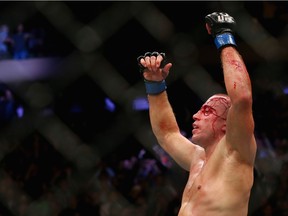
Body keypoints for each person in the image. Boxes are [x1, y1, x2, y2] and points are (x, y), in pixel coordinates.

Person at [137, 12, 257, 216]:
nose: (195, 116)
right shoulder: (196, 159)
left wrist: (224, 37)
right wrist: (155, 84)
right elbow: (167, 134)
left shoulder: (236, 152)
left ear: (227, 124)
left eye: (208, 111)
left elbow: (242, 98)